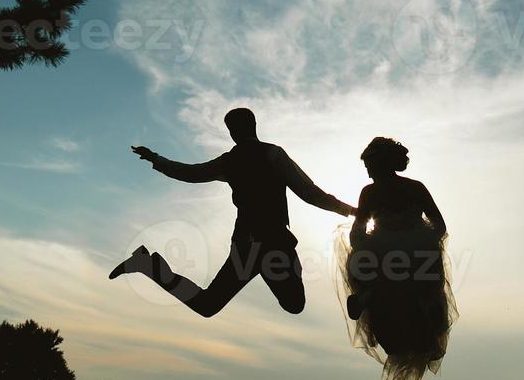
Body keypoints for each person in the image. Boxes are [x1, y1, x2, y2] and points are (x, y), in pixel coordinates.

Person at [111, 107, 355, 317]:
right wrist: (350, 210)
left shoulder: (230, 161)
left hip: (248, 246)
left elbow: (191, 173)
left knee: (209, 305)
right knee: (293, 304)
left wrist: (157, 158)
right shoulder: (272, 154)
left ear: (232, 132)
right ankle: (149, 266)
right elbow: (309, 192)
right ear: (254, 126)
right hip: (271, 243)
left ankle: (151, 267)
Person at [340, 136, 455, 380]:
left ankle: (368, 294)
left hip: (397, 251)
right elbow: (438, 225)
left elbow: (439, 225)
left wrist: (364, 245)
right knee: (415, 290)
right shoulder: (406, 188)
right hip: (406, 252)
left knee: (381, 275)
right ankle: (371, 295)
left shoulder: (375, 192)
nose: (367, 171)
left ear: (380, 164)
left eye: (368, 165)